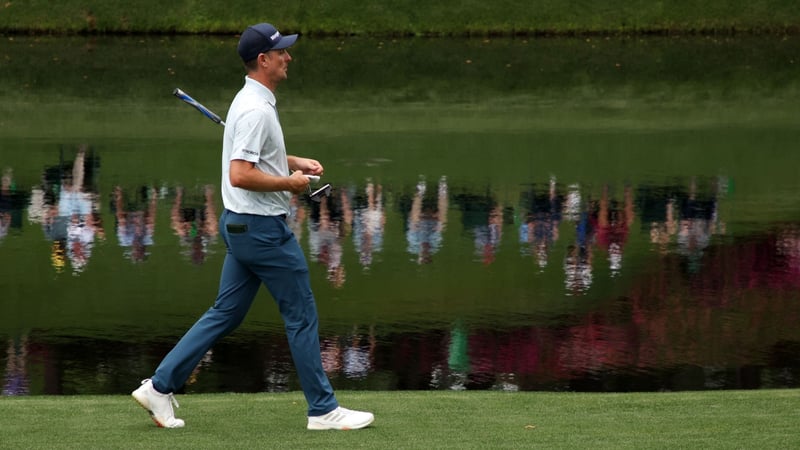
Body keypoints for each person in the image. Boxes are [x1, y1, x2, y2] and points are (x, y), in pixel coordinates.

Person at [132, 23, 374, 431]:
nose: (288, 57)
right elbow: (241, 174)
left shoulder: (251, 102)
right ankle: (323, 410)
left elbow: (256, 157)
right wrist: (290, 184)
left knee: (225, 312)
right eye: (282, 52)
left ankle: (159, 387)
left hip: (242, 226)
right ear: (263, 60)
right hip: (262, 231)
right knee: (301, 315)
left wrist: (291, 162)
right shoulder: (256, 110)